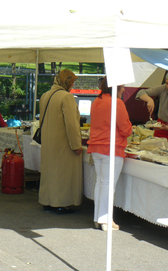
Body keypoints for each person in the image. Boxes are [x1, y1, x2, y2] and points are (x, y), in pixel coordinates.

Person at [87, 77, 132, 231]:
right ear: (116, 88)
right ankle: (105, 219)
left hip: (96, 147)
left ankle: (99, 217)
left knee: (100, 183)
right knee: (107, 185)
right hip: (112, 148)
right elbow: (126, 129)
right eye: (122, 87)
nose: (124, 90)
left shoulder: (97, 101)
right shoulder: (117, 103)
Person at [38, 69, 82, 214]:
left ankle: (47, 201)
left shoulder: (45, 95)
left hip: (48, 140)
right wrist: (76, 144)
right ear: (67, 81)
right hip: (62, 142)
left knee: (49, 173)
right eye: (72, 81)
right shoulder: (66, 97)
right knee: (61, 175)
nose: (73, 84)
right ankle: (59, 203)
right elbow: (71, 124)